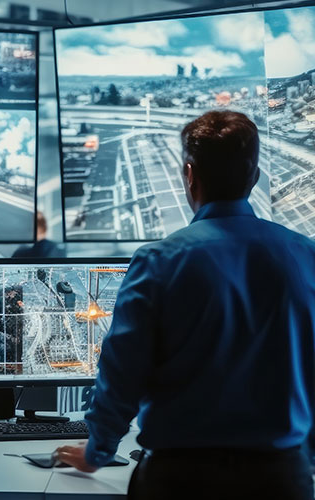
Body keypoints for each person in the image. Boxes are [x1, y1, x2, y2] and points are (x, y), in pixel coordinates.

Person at [56, 110, 315, 499]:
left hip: (181, 478)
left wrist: (98, 451)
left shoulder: (160, 260)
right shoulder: (305, 254)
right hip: (282, 479)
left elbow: (122, 371)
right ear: (254, 177)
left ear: (189, 175)